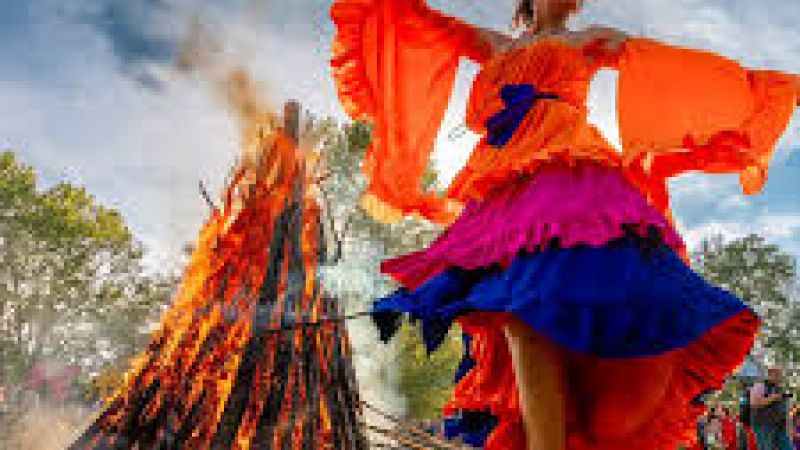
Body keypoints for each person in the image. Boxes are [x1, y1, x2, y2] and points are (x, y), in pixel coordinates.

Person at [329, 0, 800, 448]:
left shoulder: (587, 40)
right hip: (503, 179)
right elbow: (430, 29)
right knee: (515, 308)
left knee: (549, 297)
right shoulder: (497, 45)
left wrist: (753, 93)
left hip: (565, 166)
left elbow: (660, 65)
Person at [750, 367, 793, 450]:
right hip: (763, 424)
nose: (780, 377)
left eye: (780, 375)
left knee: (787, 447)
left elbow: (785, 410)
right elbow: (754, 403)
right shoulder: (760, 386)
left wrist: (789, 426)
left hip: (780, 425)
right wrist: (772, 398)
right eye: (777, 374)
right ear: (770, 375)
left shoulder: (780, 389)